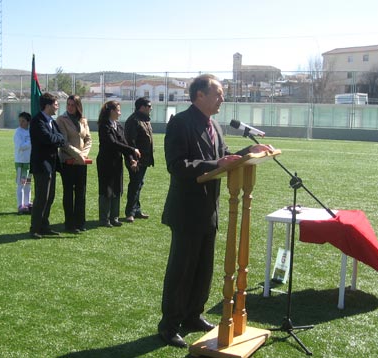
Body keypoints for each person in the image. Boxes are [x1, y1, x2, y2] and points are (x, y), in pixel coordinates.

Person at [158, 74, 273, 348]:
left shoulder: (215, 126)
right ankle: (169, 325)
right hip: (186, 210)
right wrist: (213, 164)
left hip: (210, 209)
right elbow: (177, 165)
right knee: (182, 270)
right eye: (218, 93)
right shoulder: (180, 123)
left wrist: (250, 149)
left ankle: (193, 314)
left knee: (203, 268)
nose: (222, 98)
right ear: (200, 95)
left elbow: (227, 158)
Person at [96, 100, 140, 228]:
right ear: (111, 111)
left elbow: (124, 143)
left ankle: (114, 218)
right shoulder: (104, 126)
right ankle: (104, 219)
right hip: (105, 162)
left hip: (117, 162)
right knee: (106, 190)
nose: (120, 113)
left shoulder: (118, 125)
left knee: (117, 188)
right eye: (118, 110)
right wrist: (133, 150)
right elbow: (113, 143)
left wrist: (131, 158)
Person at [29, 93, 66, 239]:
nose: (57, 106)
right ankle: (35, 228)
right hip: (42, 165)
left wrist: (56, 139)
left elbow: (60, 137)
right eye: (56, 104)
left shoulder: (51, 121)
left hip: (51, 165)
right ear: (48, 105)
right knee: (41, 198)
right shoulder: (37, 121)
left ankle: (44, 226)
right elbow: (48, 138)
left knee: (50, 197)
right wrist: (57, 139)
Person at [56, 95, 92, 233]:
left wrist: (83, 154)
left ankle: (80, 222)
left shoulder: (83, 120)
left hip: (81, 162)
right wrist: (77, 155)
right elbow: (64, 143)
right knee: (68, 193)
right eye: (68, 104)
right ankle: (70, 224)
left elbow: (88, 139)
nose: (70, 107)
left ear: (78, 106)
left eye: (73, 105)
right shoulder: (61, 120)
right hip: (68, 161)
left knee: (81, 193)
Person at [124, 97, 154, 223]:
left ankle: (136, 210)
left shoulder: (144, 119)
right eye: (149, 105)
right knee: (135, 184)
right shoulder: (134, 120)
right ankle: (130, 212)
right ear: (142, 107)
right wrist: (133, 160)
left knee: (139, 184)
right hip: (136, 159)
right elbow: (130, 142)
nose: (151, 108)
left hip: (144, 159)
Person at [14, 112, 32, 215]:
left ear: (28, 122)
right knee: (21, 184)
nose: (21, 123)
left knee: (28, 184)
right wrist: (30, 142)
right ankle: (20, 205)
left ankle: (27, 203)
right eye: (20, 120)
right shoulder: (18, 132)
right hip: (21, 162)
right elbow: (20, 146)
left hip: (28, 162)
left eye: (23, 121)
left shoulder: (30, 131)